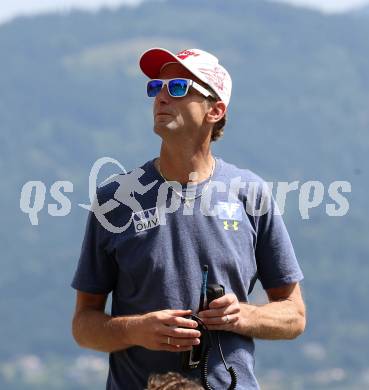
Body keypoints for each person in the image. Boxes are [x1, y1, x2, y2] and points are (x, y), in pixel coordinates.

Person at [71, 47, 306, 389]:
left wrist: (243, 315)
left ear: (216, 110)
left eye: (178, 88)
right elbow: (83, 324)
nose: (161, 98)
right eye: (156, 88)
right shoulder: (115, 199)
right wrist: (136, 330)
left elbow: (294, 315)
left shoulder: (250, 194)